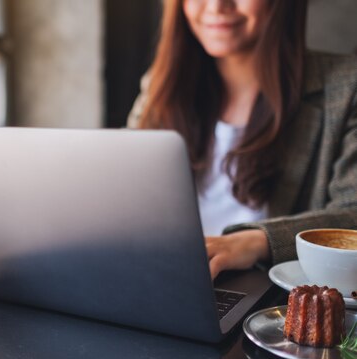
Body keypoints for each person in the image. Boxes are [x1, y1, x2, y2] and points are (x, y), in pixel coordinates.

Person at [127, 0, 357, 278]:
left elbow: (351, 215)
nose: (216, 6)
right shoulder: (160, 88)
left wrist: (255, 241)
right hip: (168, 279)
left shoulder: (346, 89)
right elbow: (126, 193)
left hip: (270, 303)